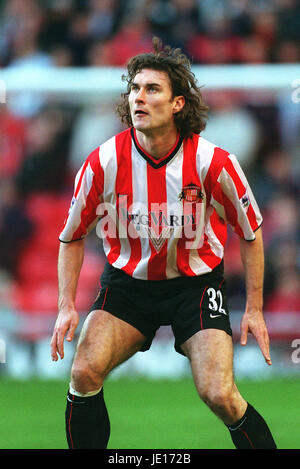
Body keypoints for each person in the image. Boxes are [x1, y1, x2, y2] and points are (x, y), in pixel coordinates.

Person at [50, 38, 277, 450]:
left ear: (177, 104)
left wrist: (256, 309)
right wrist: (66, 304)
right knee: (83, 372)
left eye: (152, 89)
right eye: (134, 88)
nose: (139, 97)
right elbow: (71, 237)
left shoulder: (213, 162)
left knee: (220, 395)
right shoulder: (103, 162)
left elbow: (251, 232)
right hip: (126, 287)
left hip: (196, 287)